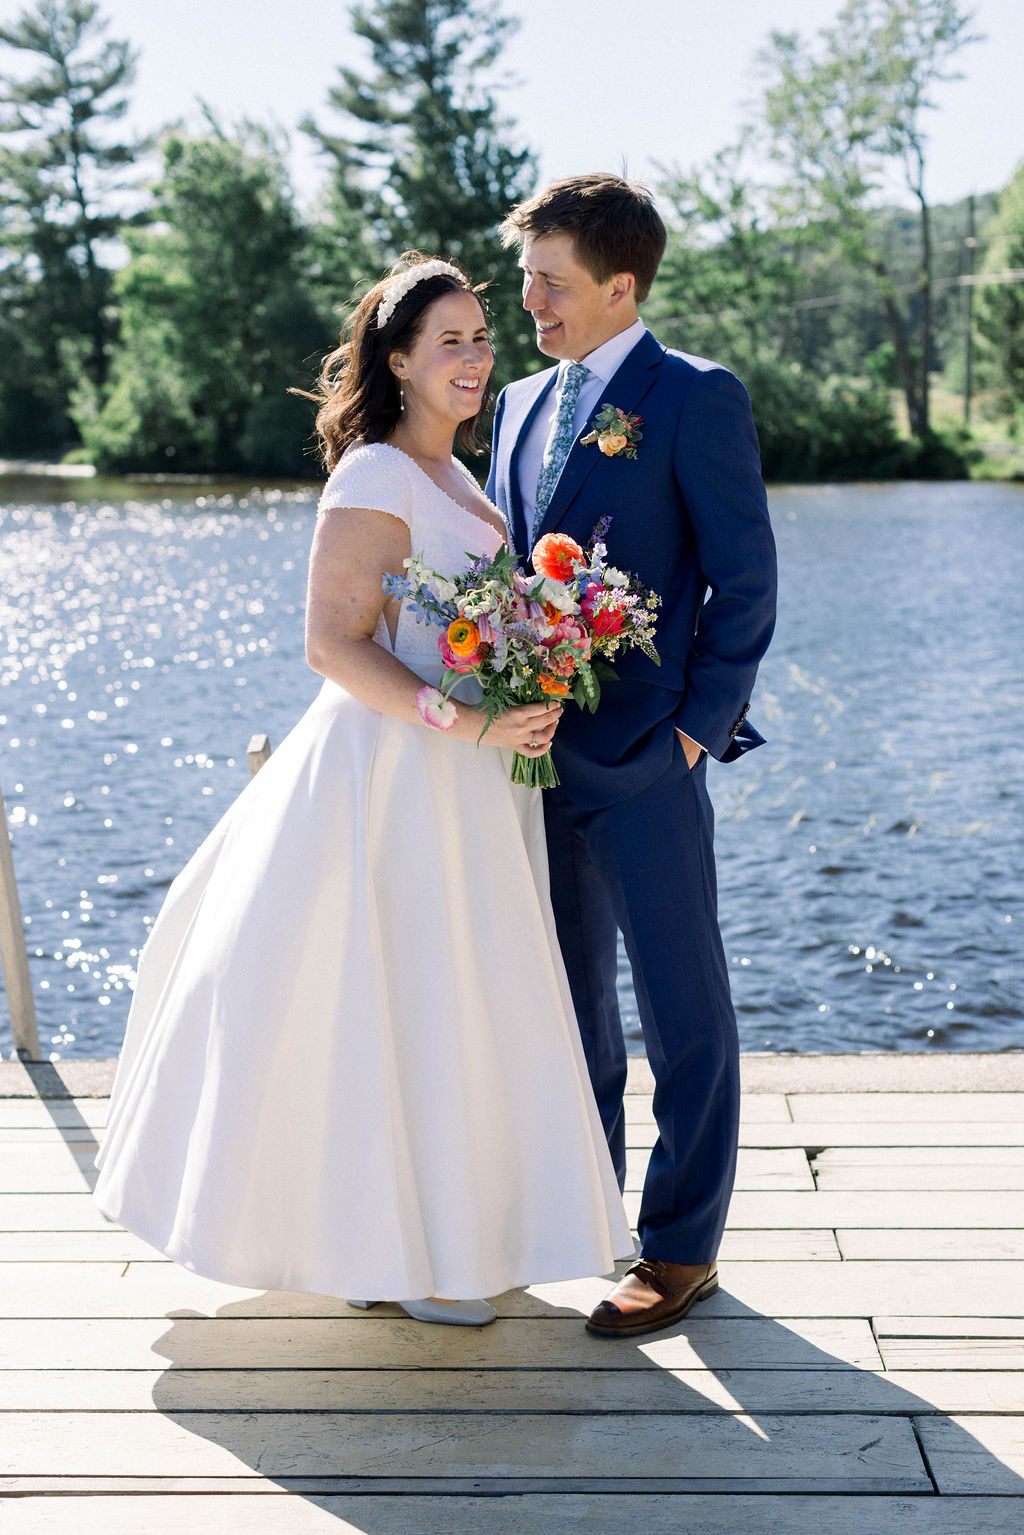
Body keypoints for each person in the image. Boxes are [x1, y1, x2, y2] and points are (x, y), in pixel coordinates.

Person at [93, 253, 633, 1325]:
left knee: (452, 1005)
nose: (477, 357)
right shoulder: (377, 473)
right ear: (397, 360)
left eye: (482, 336)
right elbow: (332, 644)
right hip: (390, 770)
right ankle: (394, 1252)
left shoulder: (461, 481)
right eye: (451, 340)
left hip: (473, 779)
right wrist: (467, 716)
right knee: (388, 998)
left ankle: (440, 1240)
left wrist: (540, 667)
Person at [487, 176, 777, 1338]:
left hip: (652, 757)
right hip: (532, 760)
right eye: (524, 280)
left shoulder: (696, 395)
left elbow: (743, 582)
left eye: (550, 283)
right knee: (565, 1005)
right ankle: (578, 1208)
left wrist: (696, 733)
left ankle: (680, 1247)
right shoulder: (511, 402)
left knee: (682, 1004)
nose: (530, 303)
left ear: (620, 285)